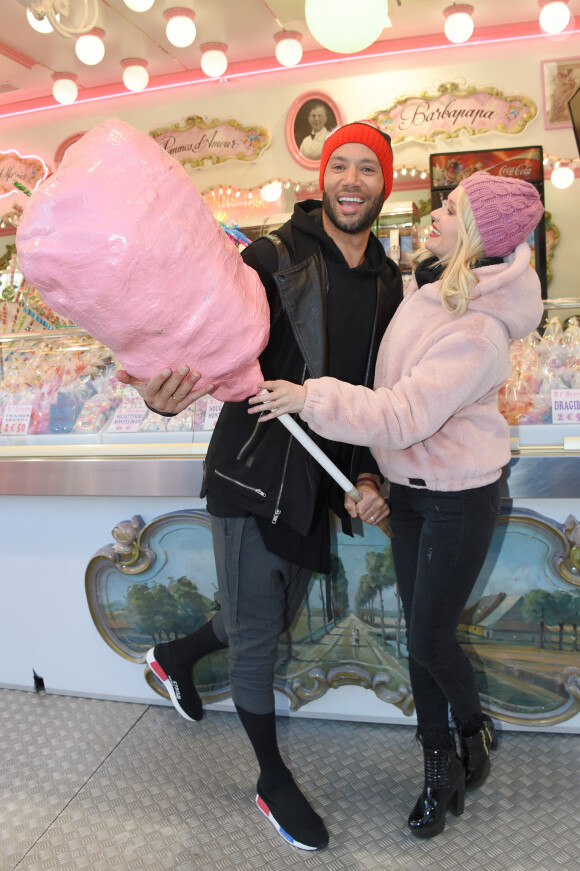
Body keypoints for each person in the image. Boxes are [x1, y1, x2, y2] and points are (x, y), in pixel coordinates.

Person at [117, 121, 403, 851]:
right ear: (321, 177)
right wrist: (161, 390)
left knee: (264, 621)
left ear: (385, 183)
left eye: (367, 169)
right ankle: (271, 782)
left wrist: (365, 471)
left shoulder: (388, 280)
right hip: (251, 472)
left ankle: (174, 657)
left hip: (316, 480)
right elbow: (196, 337)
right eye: (340, 165)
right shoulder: (273, 255)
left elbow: (367, 391)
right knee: (255, 641)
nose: (351, 180)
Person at [247, 171, 545, 838]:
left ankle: (471, 731)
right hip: (412, 494)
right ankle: (440, 763)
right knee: (421, 635)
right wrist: (378, 480)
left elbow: (405, 412)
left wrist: (309, 395)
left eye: (450, 209)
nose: (434, 214)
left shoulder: (477, 329)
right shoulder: (431, 288)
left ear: (476, 235)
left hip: (457, 502)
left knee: (430, 635)